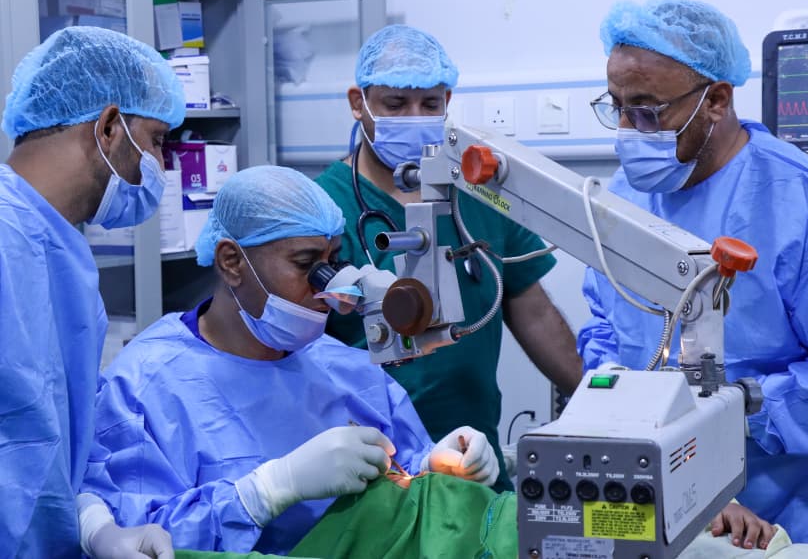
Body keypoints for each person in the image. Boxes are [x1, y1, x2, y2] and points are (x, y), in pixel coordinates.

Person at [80, 165, 500, 554]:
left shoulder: (344, 368)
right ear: (231, 262)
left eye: (333, 262)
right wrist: (265, 492)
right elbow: (137, 540)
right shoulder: (143, 385)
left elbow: (403, 484)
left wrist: (434, 466)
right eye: (306, 265)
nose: (328, 287)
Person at [577, 0, 808, 549]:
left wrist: (728, 411)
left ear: (715, 100)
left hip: (803, 507)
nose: (628, 130)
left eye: (647, 110)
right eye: (615, 106)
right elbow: (605, 325)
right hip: (658, 494)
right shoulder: (622, 198)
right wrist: (623, 402)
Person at [315, 24, 584, 492]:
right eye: (395, 104)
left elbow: (535, 313)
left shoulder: (478, 192)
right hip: (373, 470)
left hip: (473, 459)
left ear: (448, 101)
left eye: (430, 104)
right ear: (359, 103)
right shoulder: (322, 208)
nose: (414, 117)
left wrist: (602, 407)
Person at [0, 26, 185, 558]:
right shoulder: (10, 238)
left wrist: (92, 523)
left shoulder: (57, 247)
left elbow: (54, 437)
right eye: (157, 141)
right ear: (108, 127)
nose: (160, 166)